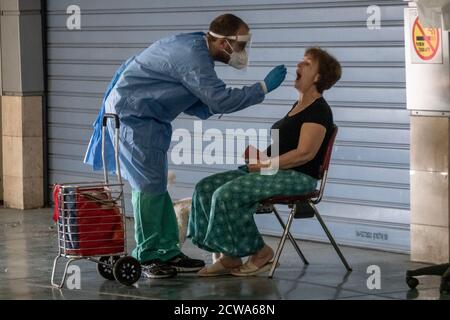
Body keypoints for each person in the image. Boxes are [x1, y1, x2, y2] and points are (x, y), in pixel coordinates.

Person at [84, 13, 287, 279]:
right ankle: (148, 256)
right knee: (147, 188)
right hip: (133, 116)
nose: (242, 52)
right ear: (224, 42)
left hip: (148, 118)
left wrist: (209, 104)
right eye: (240, 45)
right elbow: (219, 100)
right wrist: (261, 88)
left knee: (155, 186)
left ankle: (167, 251)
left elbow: (193, 95)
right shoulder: (193, 57)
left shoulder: (195, 48)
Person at [188, 47, 341, 277]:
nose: (298, 66)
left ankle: (261, 253)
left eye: (306, 64)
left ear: (318, 77)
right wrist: (261, 157)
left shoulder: (319, 111)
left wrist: (267, 164)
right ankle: (229, 255)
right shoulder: (296, 107)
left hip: (299, 178)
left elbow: (304, 154)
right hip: (276, 171)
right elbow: (284, 147)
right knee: (206, 188)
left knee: (227, 194)